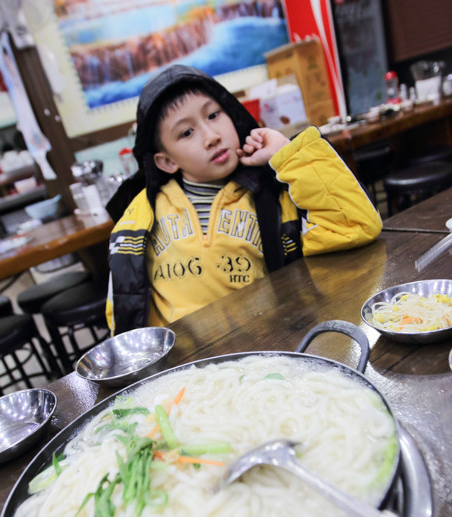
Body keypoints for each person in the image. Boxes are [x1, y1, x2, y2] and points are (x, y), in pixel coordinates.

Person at [106, 64, 382, 334]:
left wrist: (286, 155)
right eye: (186, 132)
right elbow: (125, 303)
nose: (212, 136)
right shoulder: (140, 216)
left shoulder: (272, 193)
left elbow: (355, 226)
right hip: (188, 371)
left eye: (214, 115)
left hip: (267, 348)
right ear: (165, 161)